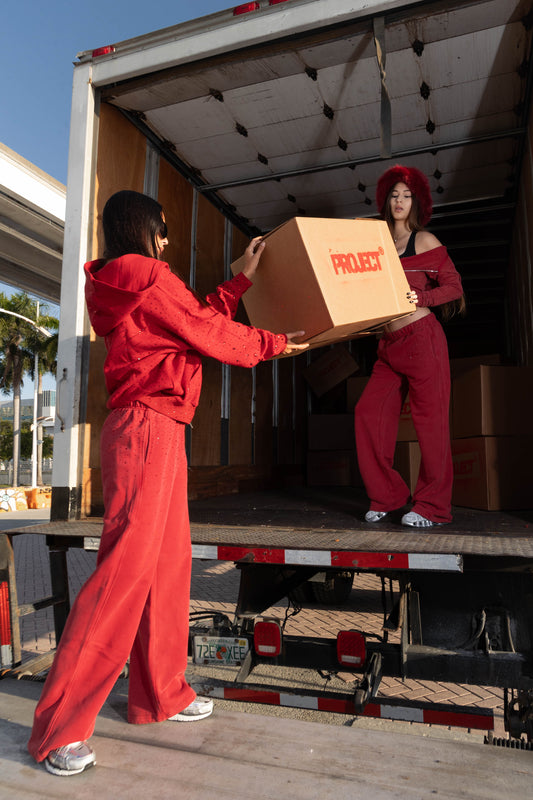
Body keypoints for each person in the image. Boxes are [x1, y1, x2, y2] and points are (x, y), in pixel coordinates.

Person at [28, 189, 307, 776]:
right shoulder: (149, 277)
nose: (167, 238)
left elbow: (193, 322)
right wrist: (276, 343)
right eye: (162, 228)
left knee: (167, 567)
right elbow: (209, 332)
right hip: (147, 429)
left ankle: (160, 695)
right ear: (142, 230)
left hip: (156, 430)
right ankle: (59, 729)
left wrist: (240, 281)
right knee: (122, 578)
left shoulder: (128, 284)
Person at [355, 165, 465, 528]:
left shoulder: (425, 240)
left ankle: (432, 507)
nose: (399, 201)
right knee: (368, 413)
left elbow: (454, 287)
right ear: (385, 201)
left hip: (422, 339)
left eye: (406, 195)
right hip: (388, 345)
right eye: (394, 195)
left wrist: (422, 297)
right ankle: (387, 495)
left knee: (430, 425)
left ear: (417, 202)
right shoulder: (377, 247)